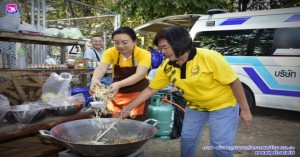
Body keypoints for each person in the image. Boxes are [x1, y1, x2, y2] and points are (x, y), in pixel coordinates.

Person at [120, 26, 253, 157]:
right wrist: (128, 107)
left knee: (220, 145)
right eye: (160, 48)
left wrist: (245, 110)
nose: (163, 52)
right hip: (195, 106)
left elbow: (234, 82)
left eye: (165, 48)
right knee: (187, 140)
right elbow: (151, 89)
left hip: (222, 106)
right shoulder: (167, 66)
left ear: (180, 44)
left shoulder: (208, 57)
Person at [89, 27, 151, 121]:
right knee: (114, 121)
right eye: (116, 43)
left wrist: (118, 84)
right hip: (117, 94)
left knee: (136, 123)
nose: (120, 46)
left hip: (138, 94)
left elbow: (140, 74)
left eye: (125, 42)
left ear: (135, 42)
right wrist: (95, 79)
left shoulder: (144, 54)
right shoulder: (110, 52)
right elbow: (101, 68)